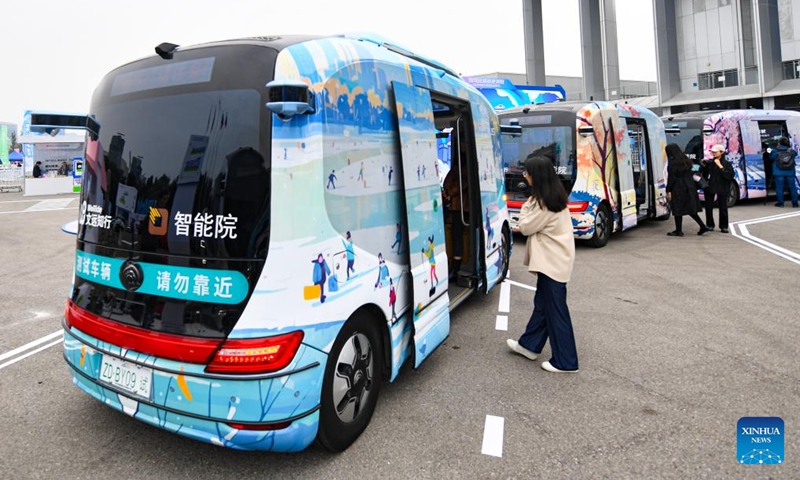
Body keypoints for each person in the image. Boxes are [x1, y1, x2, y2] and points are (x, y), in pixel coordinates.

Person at [506, 153, 579, 373]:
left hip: (551, 263)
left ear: (536, 176)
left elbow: (525, 227)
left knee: (555, 311)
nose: (525, 176)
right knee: (543, 306)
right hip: (555, 261)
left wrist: (525, 207)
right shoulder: (553, 197)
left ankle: (566, 361)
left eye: (527, 172)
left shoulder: (543, 203)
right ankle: (529, 345)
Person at [665, 143, 709, 236]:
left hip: (678, 188)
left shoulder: (672, 164)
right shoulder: (687, 161)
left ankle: (679, 230)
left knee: (677, 209)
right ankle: (702, 226)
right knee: (690, 209)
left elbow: (671, 179)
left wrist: (668, 190)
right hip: (690, 186)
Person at [443, 158, 469, 277]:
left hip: (460, 207)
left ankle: (456, 266)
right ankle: (455, 264)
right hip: (457, 207)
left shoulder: (463, 169)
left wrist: (449, 193)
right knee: (455, 236)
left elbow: (461, 184)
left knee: (457, 236)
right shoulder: (458, 167)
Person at [700, 144, 734, 233]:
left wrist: (720, 166)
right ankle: (710, 224)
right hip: (710, 186)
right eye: (712, 152)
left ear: (721, 152)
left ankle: (724, 226)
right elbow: (703, 173)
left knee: (723, 206)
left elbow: (729, 176)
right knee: (708, 206)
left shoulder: (727, 164)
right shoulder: (710, 163)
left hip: (722, 186)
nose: (713, 153)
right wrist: (703, 166)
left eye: (715, 152)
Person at [769, 137, 799, 208]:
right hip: (790, 171)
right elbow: (795, 154)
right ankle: (795, 203)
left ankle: (781, 203)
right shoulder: (791, 151)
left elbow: (771, 157)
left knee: (779, 188)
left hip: (778, 172)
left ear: (779, 143)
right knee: (792, 187)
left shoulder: (775, 151)